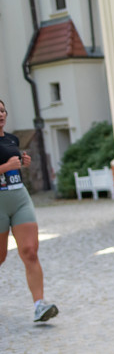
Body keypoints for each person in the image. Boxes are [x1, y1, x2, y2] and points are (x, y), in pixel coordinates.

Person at [0, 98, 57, 322]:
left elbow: (14, 166)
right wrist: (5, 167)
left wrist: (23, 162)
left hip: (20, 198)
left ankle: (39, 305)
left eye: (3, 110)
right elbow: (5, 166)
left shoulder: (12, 139)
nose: (1, 115)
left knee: (30, 252)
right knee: (1, 256)